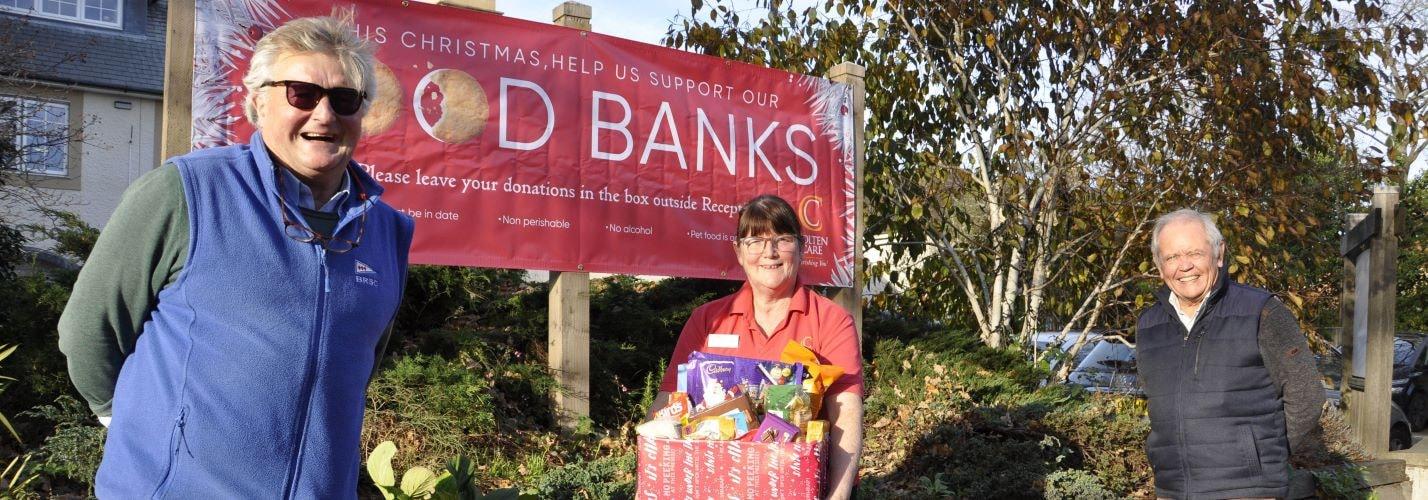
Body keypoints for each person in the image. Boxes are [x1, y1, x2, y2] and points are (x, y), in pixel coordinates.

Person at [57, 14, 413, 497]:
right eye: (300, 94)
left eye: (344, 99)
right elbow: (90, 330)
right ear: (258, 102)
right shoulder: (185, 191)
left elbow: (362, 359)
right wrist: (132, 423)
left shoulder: (388, 230)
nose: (325, 115)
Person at [648, 194, 864, 500]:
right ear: (738, 251)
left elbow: (846, 414)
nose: (770, 252)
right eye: (755, 241)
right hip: (719, 486)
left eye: (782, 239)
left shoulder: (831, 320)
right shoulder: (706, 321)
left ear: (801, 248)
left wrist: (838, 495)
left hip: (803, 489)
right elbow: (667, 405)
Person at [1135, 209, 1323, 499]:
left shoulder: (1261, 311)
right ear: (1160, 267)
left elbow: (1306, 393)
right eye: (1172, 257)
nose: (1184, 266)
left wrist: (1263, 453)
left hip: (1247, 490)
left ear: (1219, 254)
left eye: (1194, 253)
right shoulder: (1149, 325)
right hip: (1173, 491)